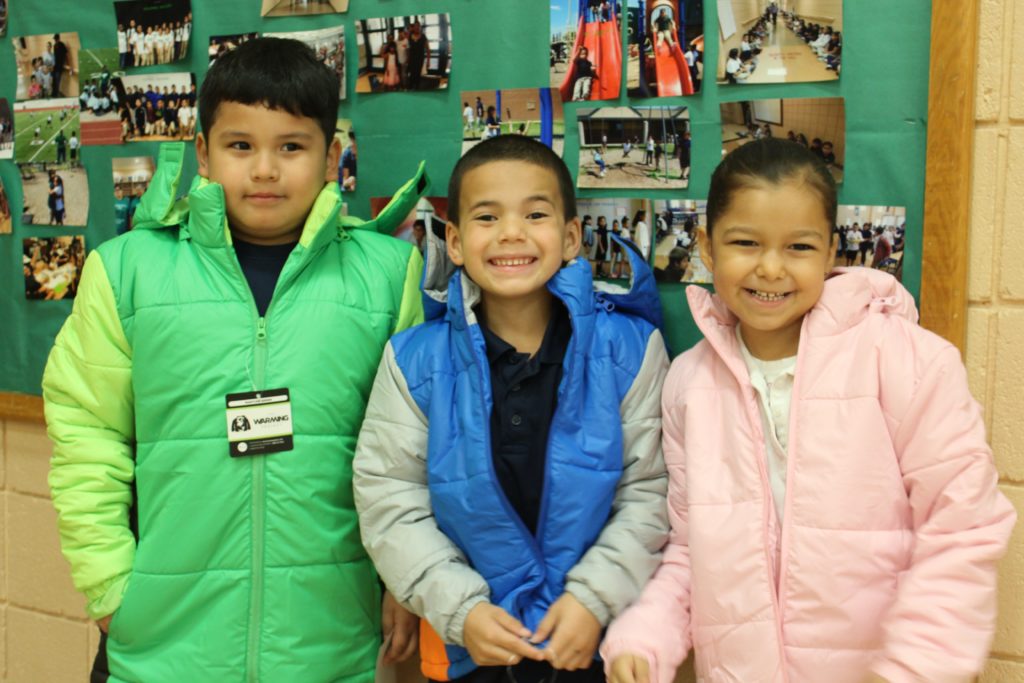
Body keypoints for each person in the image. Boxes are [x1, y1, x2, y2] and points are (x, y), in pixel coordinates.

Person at [43, 37, 427, 683]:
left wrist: (405, 575)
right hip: (165, 645)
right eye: (240, 145)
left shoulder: (388, 274)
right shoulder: (128, 270)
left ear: (332, 155)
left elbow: (414, 447)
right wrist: (109, 584)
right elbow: (87, 433)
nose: (266, 169)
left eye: (292, 146)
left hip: (329, 642)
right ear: (203, 152)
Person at [602, 138, 1016, 683]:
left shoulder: (910, 362)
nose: (771, 268)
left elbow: (962, 529)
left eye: (799, 247)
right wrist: (646, 635)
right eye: (746, 242)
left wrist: (914, 667)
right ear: (707, 247)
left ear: (829, 252)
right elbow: (688, 549)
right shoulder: (687, 383)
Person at [353, 133, 669, 683]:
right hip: (470, 649)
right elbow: (389, 498)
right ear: (453, 242)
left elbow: (652, 491)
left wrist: (594, 597)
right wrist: (459, 608)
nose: (511, 234)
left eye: (535, 214)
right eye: (487, 218)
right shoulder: (414, 360)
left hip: (593, 644)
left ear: (571, 236)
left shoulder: (630, 349)